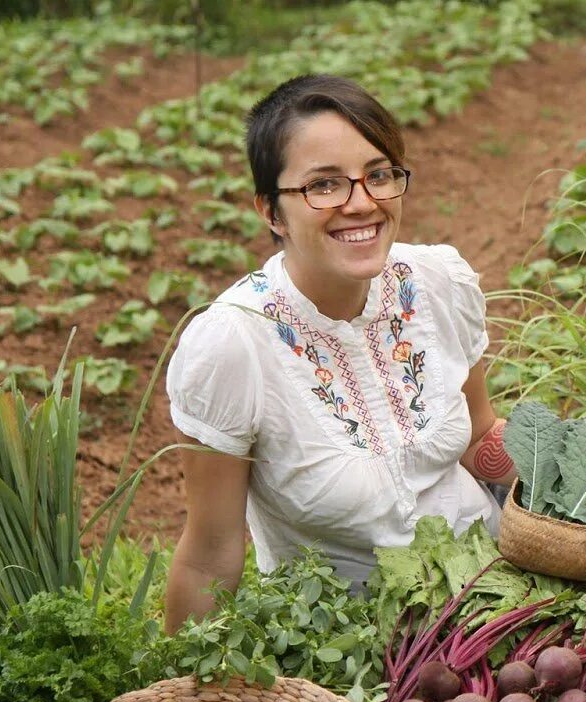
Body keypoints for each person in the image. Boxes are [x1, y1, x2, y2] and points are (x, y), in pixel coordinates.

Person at [163, 74, 515, 632]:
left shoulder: (439, 281)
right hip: (352, 647)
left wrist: (572, 483)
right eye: (324, 186)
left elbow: (477, 434)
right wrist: (182, 696)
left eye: (379, 175)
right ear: (272, 211)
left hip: (504, 600)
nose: (361, 203)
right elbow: (210, 551)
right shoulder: (235, 343)